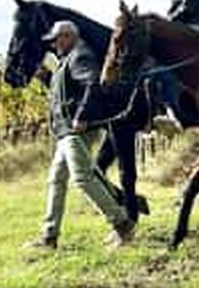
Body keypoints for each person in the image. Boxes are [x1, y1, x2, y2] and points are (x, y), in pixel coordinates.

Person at [31, 20, 135, 249]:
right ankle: (49, 237)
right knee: (56, 180)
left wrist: (82, 116)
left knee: (83, 179)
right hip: (64, 131)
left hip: (75, 130)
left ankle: (123, 225)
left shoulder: (80, 56)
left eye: (56, 40)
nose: (53, 45)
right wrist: (46, 78)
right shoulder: (65, 61)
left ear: (68, 36)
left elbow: (92, 85)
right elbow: (67, 92)